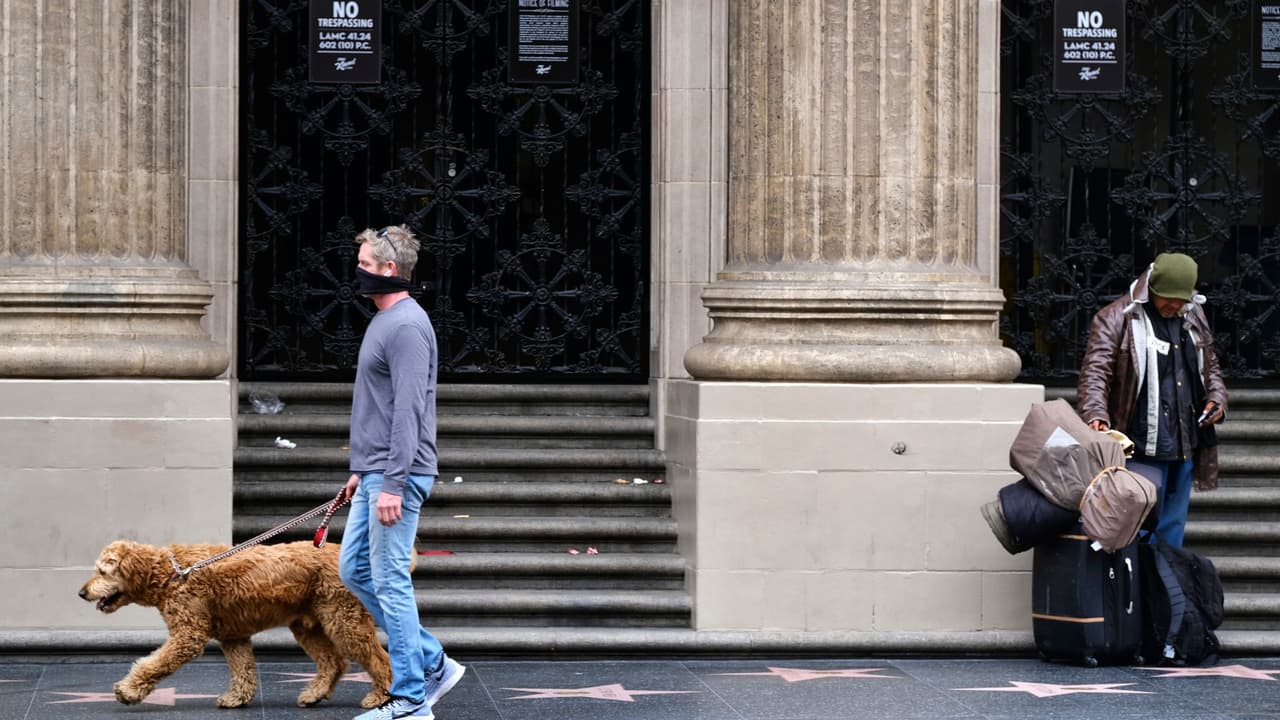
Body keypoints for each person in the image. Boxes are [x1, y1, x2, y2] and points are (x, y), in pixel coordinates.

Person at [338, 225, 465, 720]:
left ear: (390, 269)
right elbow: (379, 406)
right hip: (375, 473)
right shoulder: (383, 320)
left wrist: (391, 481)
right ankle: (432, 662)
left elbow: (410, 411)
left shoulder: (407, 326)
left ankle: (411, 698)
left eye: (366, 264)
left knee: (390, 580)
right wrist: (361, 469)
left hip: (398, 477)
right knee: (355, 571)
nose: (359, 271)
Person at [1077, 252, 1227, 548]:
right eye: (1168, 298)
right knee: (1136, 527)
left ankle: (1164, 590)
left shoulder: (1193, 314)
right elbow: (1095, 373)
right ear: (1152, 290)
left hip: (1185, 443)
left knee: (1172, 530)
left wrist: (1217, 399)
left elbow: (1210, 365)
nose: (1175, 305)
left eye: (1181, 299)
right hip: (1141, 447)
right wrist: (1095, 414)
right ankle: (1135, 591)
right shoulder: (1115, 318)